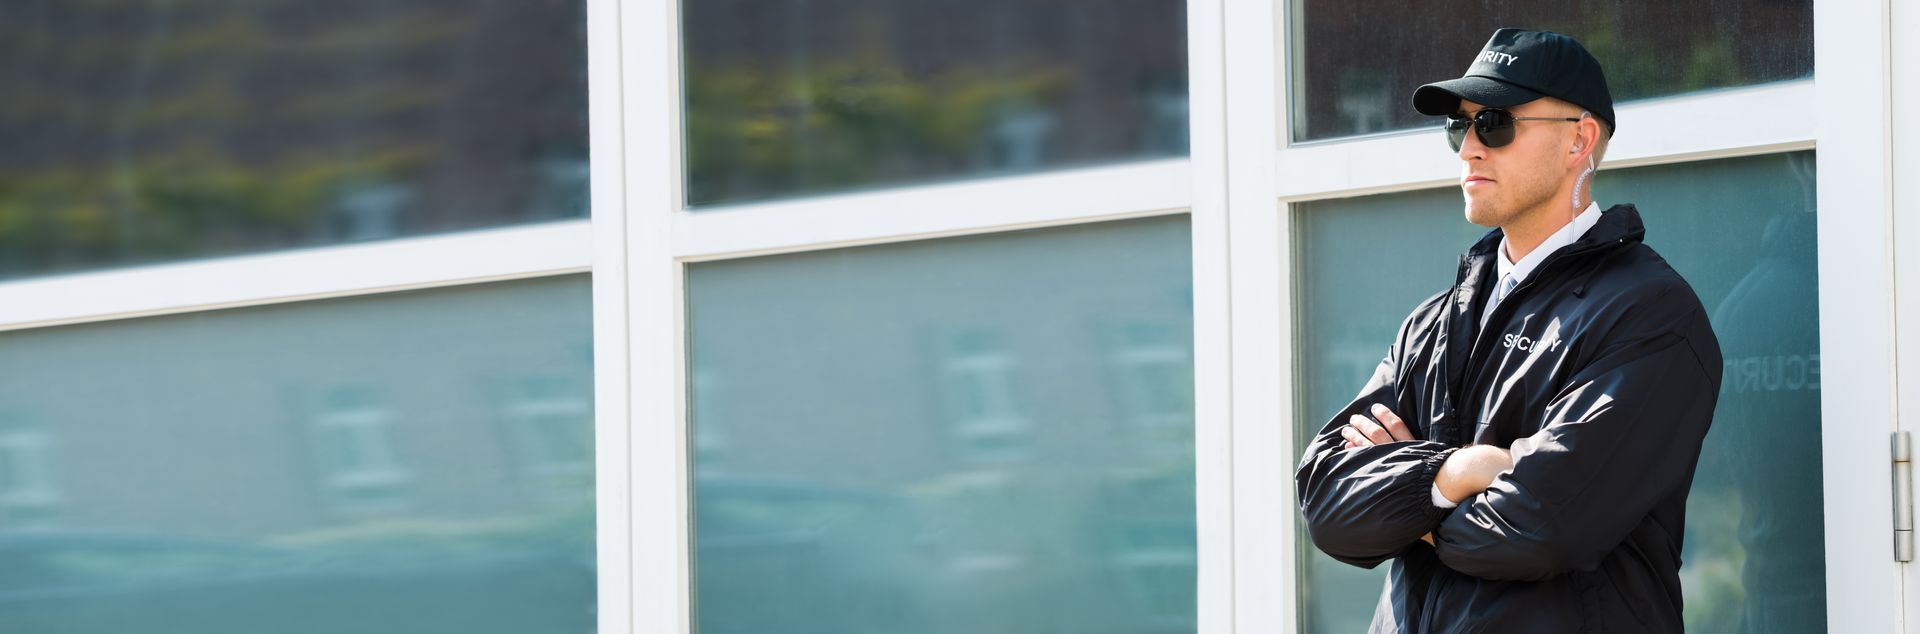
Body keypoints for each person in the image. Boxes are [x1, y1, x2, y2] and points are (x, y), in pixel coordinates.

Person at [1292, 28, 1723, 633]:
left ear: (1580, 139)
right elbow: (1328, 506)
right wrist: (1457, 475)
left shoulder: (1648, 314)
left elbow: (1537, 531)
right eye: (1457, 128)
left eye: (1494, 122)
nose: (1469, 147)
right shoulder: (1432, 323)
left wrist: (1403, 499)